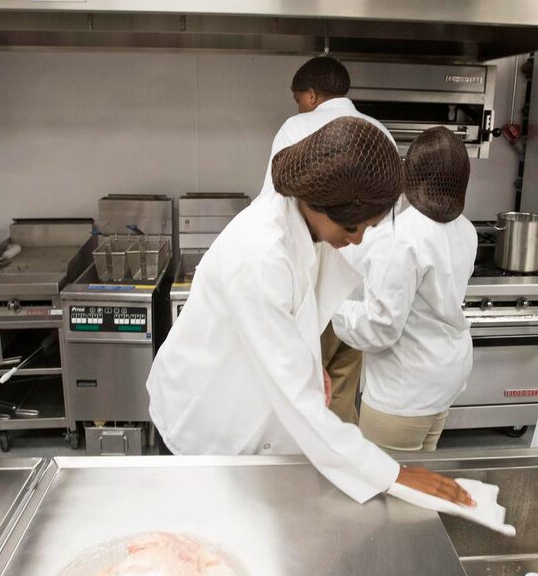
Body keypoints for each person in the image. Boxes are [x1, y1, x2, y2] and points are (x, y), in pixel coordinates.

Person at [147, 117, 473, 508]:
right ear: (319, 202)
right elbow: (295, 397)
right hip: (204, 426)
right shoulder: (259, 254)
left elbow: (300, 310)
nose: (357, 239)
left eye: (369, 228)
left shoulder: (307, 223)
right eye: (353, 226)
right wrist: (392, 473)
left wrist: (308, 358)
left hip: (252, 419)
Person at [259, 55, 395, 426]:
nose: (300, 105)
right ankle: (338, 467)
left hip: (311, 290)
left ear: (312, 95)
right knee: (342, 391)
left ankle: (311, 469)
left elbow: (272, 207)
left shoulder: (296, 128)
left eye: (299, 97)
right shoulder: (378, 132)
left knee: (301, 397)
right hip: (359, 291)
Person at [332, 127, 477, 451]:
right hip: (444, 379)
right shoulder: (465, 229)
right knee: (419, 487)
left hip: (403, 393)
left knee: (385, 494)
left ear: (410, 174)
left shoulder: (402, 236)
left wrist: (332, 306)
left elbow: (379, 328)